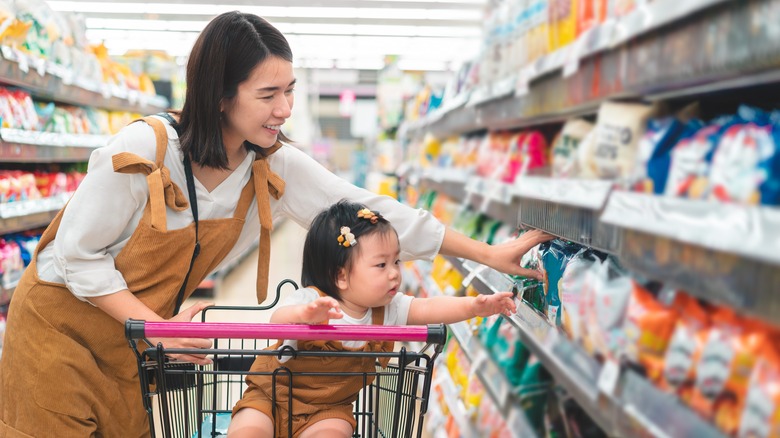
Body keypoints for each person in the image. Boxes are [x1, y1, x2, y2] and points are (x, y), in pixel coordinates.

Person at [0, 11, 550, 437]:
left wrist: (484, 253)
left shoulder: (271, 164)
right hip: (62, 333)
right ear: (219, 95)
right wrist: (159, 328)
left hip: (137, 343)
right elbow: (77, 257)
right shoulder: (144, 152)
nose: (285, 108)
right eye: (268, 95)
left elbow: (371, 211)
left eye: (288, 90)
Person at [228, 200, 519, 438]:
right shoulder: (312, 301)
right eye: (381, 264)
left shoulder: (388, 310)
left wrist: (475, 306)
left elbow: (429, 308)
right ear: (341, 276)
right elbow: (277, 322)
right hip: (269, 395)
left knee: (334, 432)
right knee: (249, 430)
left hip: (329, 409)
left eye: (396, 261)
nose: (394, 272)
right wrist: (304, 317)